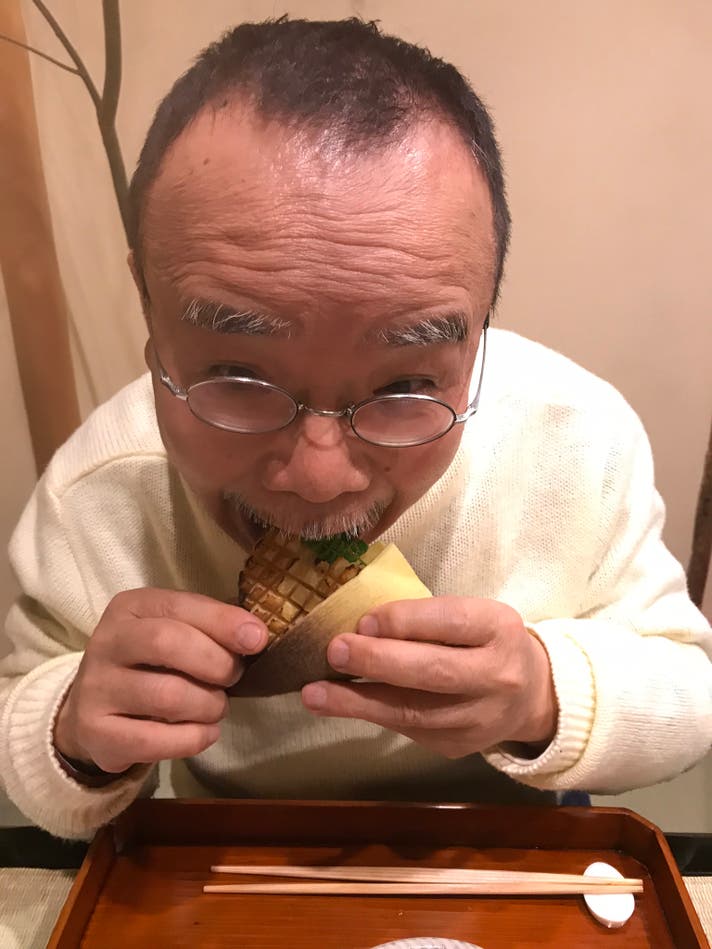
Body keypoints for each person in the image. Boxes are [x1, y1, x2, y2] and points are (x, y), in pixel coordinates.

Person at [1, 17, 710, 840]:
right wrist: (73, 732)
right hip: (227, 852)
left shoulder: (575, 442)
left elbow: (690, 692)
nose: (320, 478)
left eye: (405, 385)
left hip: (509, 848)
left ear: (480, 327)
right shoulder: (102, 490)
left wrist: (543, 693)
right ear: (149, 308)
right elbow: (22, 714)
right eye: (240, 377)